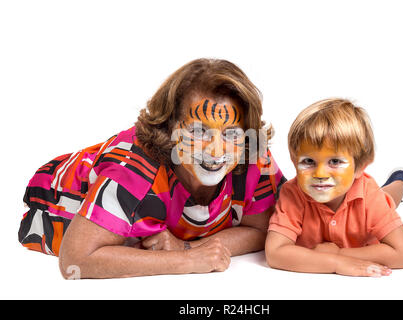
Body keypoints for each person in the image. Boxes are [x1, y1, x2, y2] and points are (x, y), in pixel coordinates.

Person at [18, 58, 286, 279]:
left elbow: (265, 228)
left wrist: (185, 246)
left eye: (230, 133)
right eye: (198, 131)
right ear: (170, 129)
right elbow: (75, 260)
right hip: (52, 199)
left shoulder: (250, 154)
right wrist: (186, 261)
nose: (216, 151)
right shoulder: (133, 170)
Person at [265, 98, 403, 277]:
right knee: (384, 198)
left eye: (335, 161)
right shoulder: (292, 193)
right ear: (294, 161)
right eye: (309, 161)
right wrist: (335, 263)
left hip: (374, 196)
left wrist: (338, 253)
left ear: (360, 167)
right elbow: (275, 253)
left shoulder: (370, 194)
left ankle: (400, 181)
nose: (320, 174)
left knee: (389, 197)